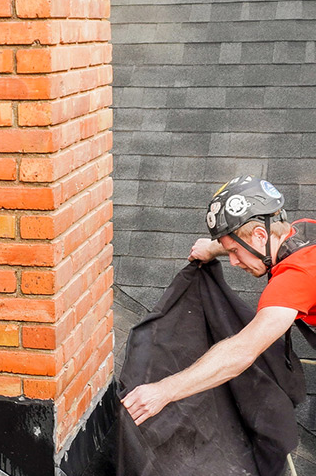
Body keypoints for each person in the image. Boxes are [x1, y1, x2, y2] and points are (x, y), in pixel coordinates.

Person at [122, 175, 313, 428]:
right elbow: (252, 239)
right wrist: (215, 248)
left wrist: (163, 391)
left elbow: (242, 351)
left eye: (234, 251)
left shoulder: (294, 279)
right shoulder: (301, 230)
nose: (233, 262)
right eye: (230, 251)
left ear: (259, 235)